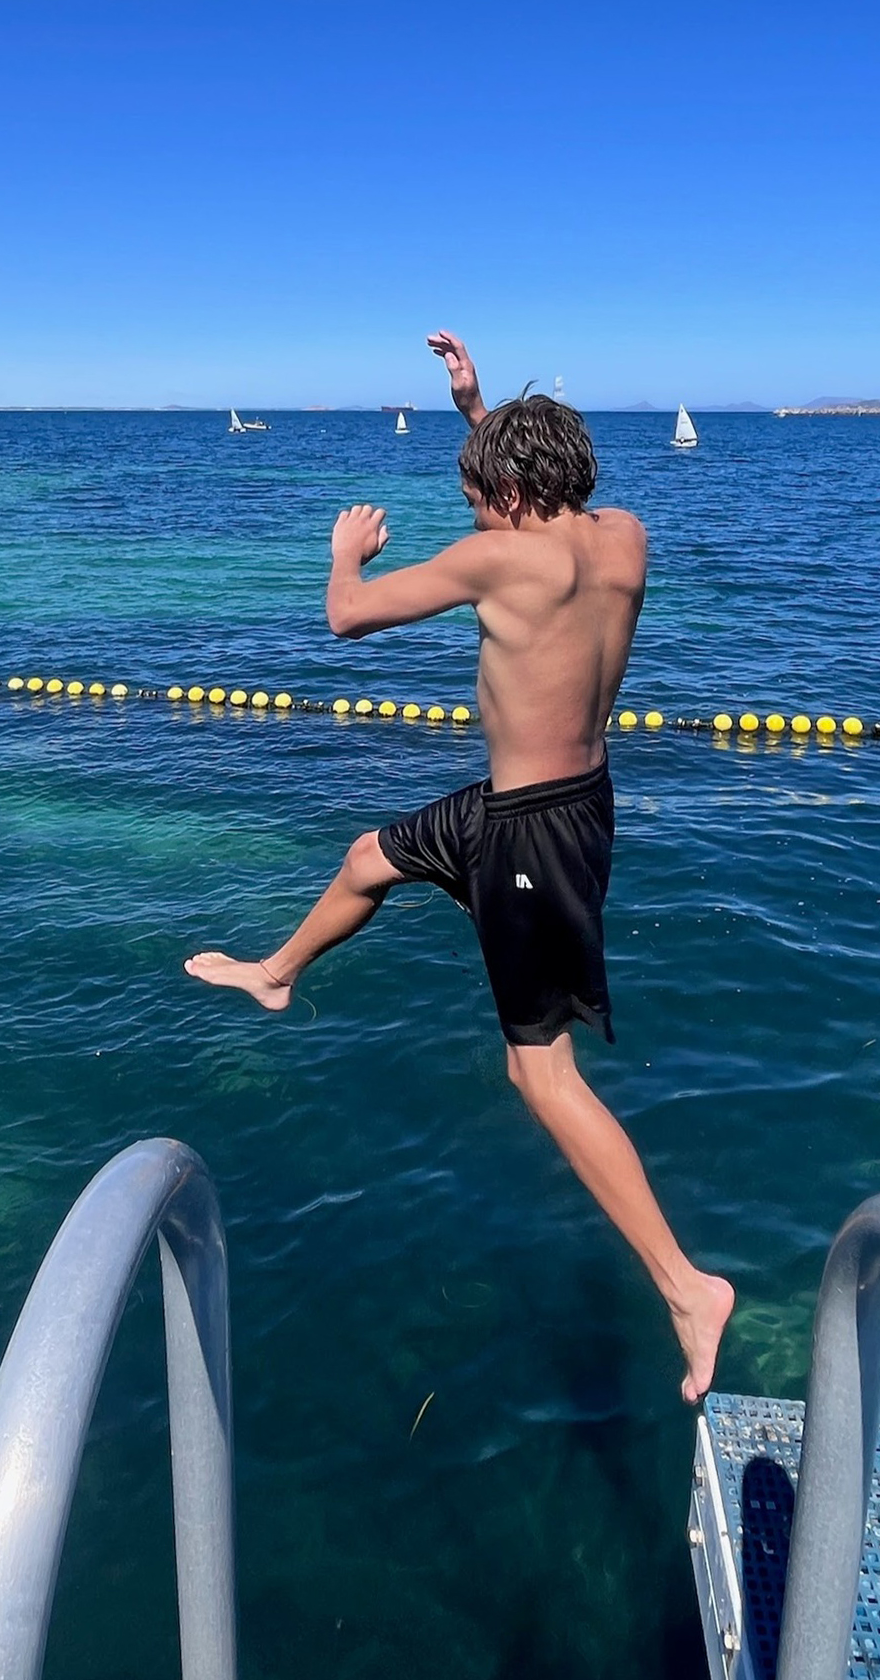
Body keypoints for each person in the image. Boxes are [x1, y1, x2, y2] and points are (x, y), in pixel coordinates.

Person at [185, 332, 735, 1402]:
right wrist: (477, 409)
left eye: (478, 497)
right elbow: (535, 502)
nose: (471, 513)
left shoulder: (497, 560)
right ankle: (277, 972)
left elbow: (346, 616)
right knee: (366, 859)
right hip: (566, 804)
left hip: (527, 836)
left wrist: (347, 551)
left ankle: (684, 1287)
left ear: (510, 497)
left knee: (540, 1074)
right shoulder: (623, 536)